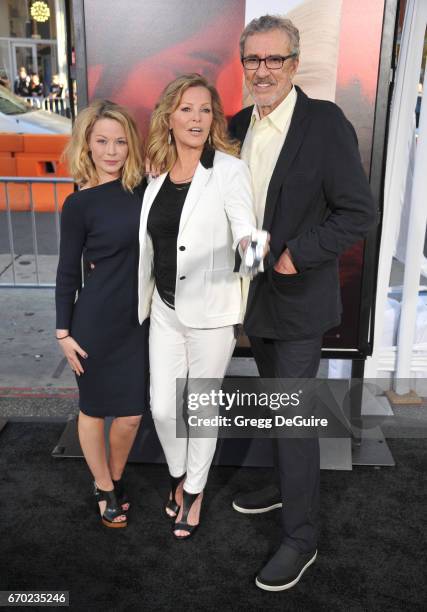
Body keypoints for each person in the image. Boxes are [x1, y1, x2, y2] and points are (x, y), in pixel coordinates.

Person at [229, 15, 376, 591]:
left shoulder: (324, 123)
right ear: (244, 66)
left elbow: (357, 213)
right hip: (249, 298)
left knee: (293, 418)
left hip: (296, 300)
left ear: (294, 64)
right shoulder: (237, 124)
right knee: (276, 405)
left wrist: (298, 254)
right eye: (253, 60)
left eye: (274, 60)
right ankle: (283, 485)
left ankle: (301, 537)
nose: (263, 70)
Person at [138, 73, 257, 539]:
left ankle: (195, 491)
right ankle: (178, 475)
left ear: (214, 119)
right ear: (169, 116)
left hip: (212, 313)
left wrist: (257, 266)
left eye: (205, 109)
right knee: (165, 409)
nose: (196, 118)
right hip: (164, 310)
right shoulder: (157, 176)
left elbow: (246, 228)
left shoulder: (228, 169)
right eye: (186, 109)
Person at [56, 100, 148, 528]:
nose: (112, 151)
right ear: (87, 145)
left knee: (130, 415)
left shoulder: (147, 190)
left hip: (138, 323)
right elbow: (66, 270)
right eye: (102, 141)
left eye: (120, 141)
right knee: (92, 410)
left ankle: (111, 476)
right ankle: (105, 486)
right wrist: (62, 332)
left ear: (131, 145)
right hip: (92, 321)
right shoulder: (79, 204)